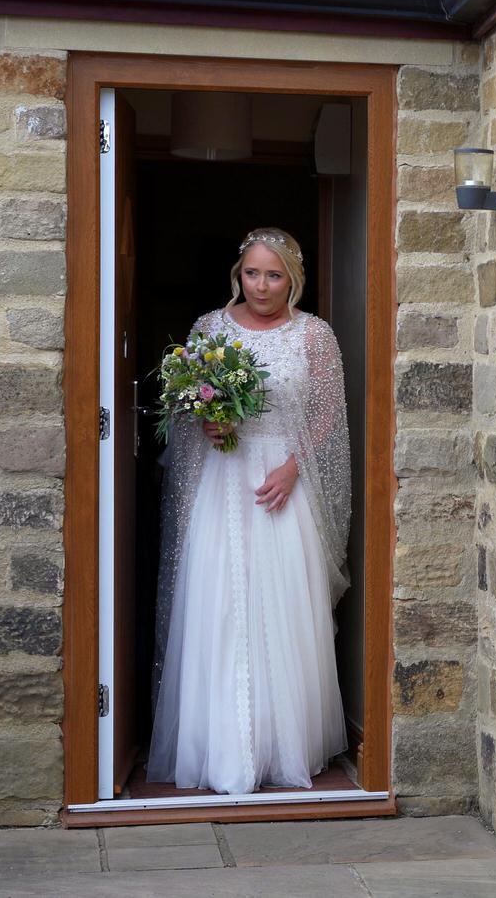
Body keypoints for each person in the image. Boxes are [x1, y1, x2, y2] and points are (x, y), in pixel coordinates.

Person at [148, 227, 352, 795]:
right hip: (223, 480)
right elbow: (187, 403)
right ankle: (220, 747)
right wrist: (207, 420)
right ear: (238, 273)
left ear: (293, 279)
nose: (261, 285)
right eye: (252, 272)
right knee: (219, 603)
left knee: (283, 606)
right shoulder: (210, 329)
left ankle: (281, 744)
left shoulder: (314, 336)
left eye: (274, 274)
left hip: (284, 481)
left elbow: (329, 416)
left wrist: (294, 466)